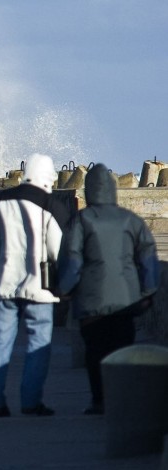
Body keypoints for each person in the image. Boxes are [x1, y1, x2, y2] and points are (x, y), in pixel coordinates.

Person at [56, 163, 161, 415]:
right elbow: (149, 259)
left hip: (91, 302)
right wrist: (148, 292)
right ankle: (124, 400)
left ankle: (100, 400)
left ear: (89, 191)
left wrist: (65, 289)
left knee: (96, 353)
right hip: (127, 300)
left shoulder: (81, 221)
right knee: (123, 350)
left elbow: (72, 259)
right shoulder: (131, 220)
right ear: (113, 190)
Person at [0, 153, 70, 417]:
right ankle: (31, 402)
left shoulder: (2, 202)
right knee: (38, 345)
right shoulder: (51, 205)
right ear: (48, 176)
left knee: (1, 343)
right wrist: (64, 287)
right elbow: (58, 250)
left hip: (7, 285)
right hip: (40, 289)